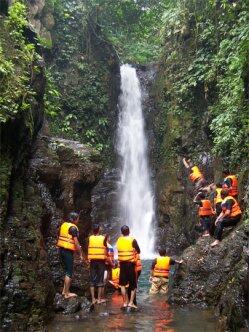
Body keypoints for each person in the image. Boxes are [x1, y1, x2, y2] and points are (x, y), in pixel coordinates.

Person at [57, 211, 83, 299]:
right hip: (67, 251)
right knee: (69, 271)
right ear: (75, 219)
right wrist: (80, 254)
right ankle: (67, 293)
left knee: (66, 270)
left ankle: (64, 291)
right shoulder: (73, 228)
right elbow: (76, 242)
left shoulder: (64, 225)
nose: (79, 220)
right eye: (78, 218)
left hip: (61, 250)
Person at [116, 225, 140, 309]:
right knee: (133, 284)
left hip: (122, 264)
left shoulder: (119, 240)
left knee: (122, 284)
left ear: (121, 232)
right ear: (129, 231)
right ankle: (131, 303)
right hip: (130, 264)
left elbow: (118, 249)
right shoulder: (132, 240)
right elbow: (138, 250)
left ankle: (124, 302)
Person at [88, 224, 108, 304]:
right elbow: (105, 247)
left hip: (92, 260)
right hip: (100, 261)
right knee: (100, 279)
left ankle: (93, 299)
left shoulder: (90, 238)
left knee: (92, 279)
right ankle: (99, 299)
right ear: (99, 230)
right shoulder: (103, 238)